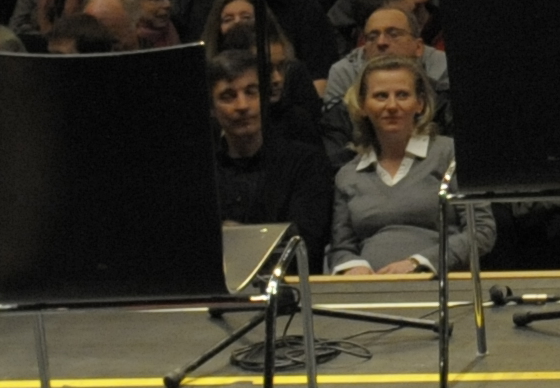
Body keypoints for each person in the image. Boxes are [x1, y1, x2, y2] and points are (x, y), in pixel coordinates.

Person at [330, 58, 485, 279]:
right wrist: (353, 266)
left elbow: (480, 231)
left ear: (420, 103)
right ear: (363, 105)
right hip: (369, 290)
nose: (392, 106)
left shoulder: (451, 153)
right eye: (381, 96)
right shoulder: (347, 175)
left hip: (440, 285)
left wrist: (418, 263)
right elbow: (341, 248)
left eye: (402, 95)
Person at [206, 50, 334, 264]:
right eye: (228, 96)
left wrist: (234, 237)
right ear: (211, 108)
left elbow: (304, 247)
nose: (242, 106)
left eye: (251, 92)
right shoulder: (202, 172)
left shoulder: (306, 163)